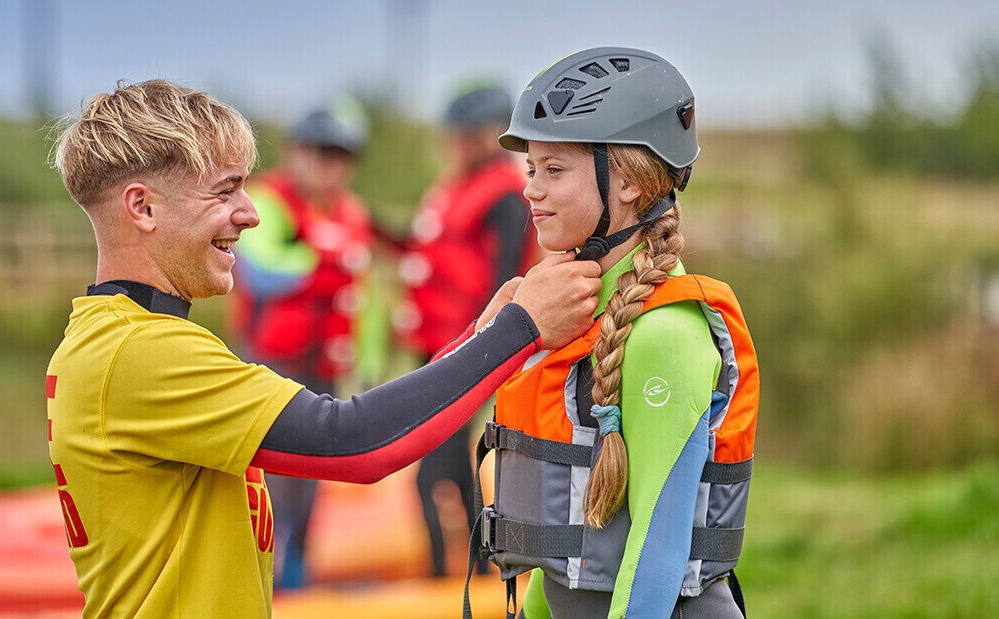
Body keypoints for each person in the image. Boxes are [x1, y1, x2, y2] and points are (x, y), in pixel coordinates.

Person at [44, 79, 602, 618]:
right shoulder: (144, 353)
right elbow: (354, 441)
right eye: (224, 191)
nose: (251, 213)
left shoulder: (119, 338)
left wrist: (483, 331)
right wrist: (519, 331)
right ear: (142, 208)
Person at [463, 48, 760, 618]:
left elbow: (657, 558)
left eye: (554, 170)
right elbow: (563, 565)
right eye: (531, 170)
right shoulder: (577, 317)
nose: (530, 189)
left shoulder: (666, 334)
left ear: (627, 183)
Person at [229, 96, 372, 588]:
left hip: (324, 365)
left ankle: (297, 573)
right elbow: (261, 271)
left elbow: (360, 296)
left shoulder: (351, 213)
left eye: (341, 155)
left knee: (314, 475)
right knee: (267, 476)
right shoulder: (265, 203)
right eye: (320, 152)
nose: (330, 165)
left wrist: (365, 360)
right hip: (270, 363)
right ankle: (256, 574)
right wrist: (323, 255)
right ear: (296, 152)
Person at [396, 84, 536, 578]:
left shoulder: (505, 198)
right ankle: (477, 574)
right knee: (456, 472)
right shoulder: (456, 187)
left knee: (428, 478)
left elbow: (504, 279)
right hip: (437, 347)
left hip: (466, 352)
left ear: (489, 135)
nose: (454, 143)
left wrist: (479, 351)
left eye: (464, 134)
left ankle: (441, 580)